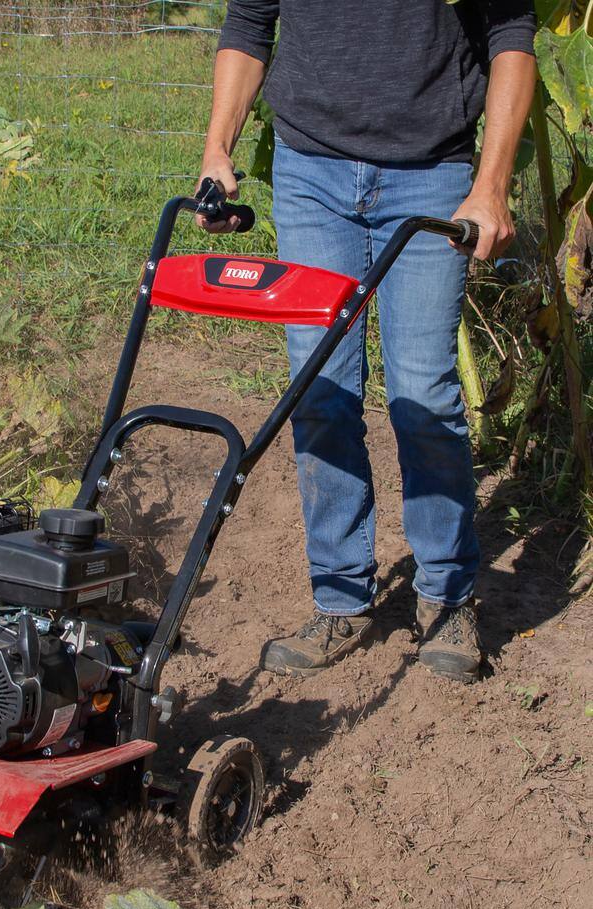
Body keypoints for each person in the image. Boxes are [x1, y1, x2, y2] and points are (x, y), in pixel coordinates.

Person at [198, 1, 536, 684]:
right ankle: (340, 598)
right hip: (309, 170)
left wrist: (491, 187)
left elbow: (511, 32)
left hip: (432, 170)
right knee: (320, 388)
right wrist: (217, 149)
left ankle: (446, 598)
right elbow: (248, 24)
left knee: (422, 391)